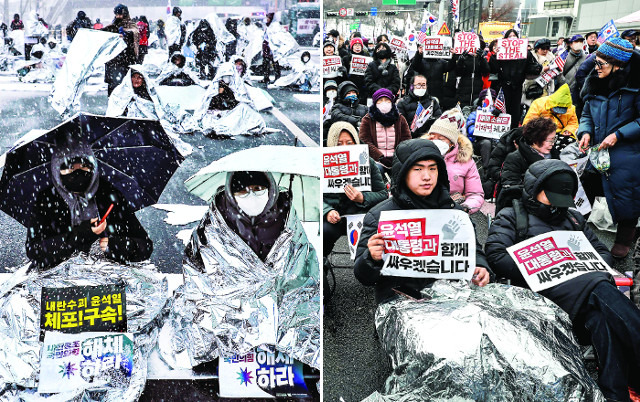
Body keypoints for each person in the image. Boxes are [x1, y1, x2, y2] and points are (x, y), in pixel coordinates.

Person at [485, 159, 640, 402]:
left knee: (600, 317)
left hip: (583, 295)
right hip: (541, 296)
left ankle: (615, 394)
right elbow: (496, 254)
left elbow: (602, 252)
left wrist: (575, 262)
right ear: (535, 189)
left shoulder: (575, 219)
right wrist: (545, 262)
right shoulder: (512, 215)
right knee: (599, 287)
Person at [354, 138, 491, 304]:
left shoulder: (454, 213)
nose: (427, 176)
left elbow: (472, 249)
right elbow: (363, 277)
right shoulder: (379, 216)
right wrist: (371, 257)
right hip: (398, 304)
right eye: (418, 169)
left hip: (448, 301)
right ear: (403, 173)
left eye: (432, 169)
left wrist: (482, 266)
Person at [26, 140, 153, 269]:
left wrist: (116, 245)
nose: (77, 172)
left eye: (84, 165)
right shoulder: (47, 200)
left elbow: (145, 246)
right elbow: (35, 252)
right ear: (56, 169)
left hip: (107, 278)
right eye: (69, 167)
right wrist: (80, 235)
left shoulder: (109, 195)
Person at [577, 37, 640, 258]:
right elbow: (586, 113)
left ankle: (624, 240)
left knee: (627, 195)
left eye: (601, 64)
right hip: (597, 150)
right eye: (596, 62)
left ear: (618, 65)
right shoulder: (594, 81)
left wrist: (618, 135)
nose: (596, 68)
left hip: (627, 152)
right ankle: (575, 233)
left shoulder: (635, 86)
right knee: (584, 193)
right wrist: (585, 131)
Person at [323, 122, 388, 295]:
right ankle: (321, 265)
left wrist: (363, 198)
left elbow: (383, 194)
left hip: (364, 217)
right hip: (336, 218)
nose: (344, 147)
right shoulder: (321, 164)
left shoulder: (369, 163)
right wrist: (327, 210)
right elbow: (313, 194)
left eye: (349, 142)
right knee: (324, 232)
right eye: (339, 143)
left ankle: (375, 270)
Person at [497, 117, 559, 212]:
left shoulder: (555, 156)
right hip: (519, 207)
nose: (552, 144)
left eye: (554, 139)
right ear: (535, 140)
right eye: (549, 140)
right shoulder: (515, 158)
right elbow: (510, 188)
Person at [423, 116, 484, 214]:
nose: (435, 141)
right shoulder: (418, 155)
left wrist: (464, 208)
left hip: (452, 213)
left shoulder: (465, 161)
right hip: (422, 210)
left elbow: (475, 194)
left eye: (441, 139)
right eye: (432, 137)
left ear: (452, 143)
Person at [489, 29, 542, 128]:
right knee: (503, 111)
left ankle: (513, 133)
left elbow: (532, 68)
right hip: (503, 87)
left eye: (514, 36)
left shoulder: (525, 53)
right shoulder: (501, 52)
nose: (512, 38)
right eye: (510, 36)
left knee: (515, 112)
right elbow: (493, 69)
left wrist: (537, 67)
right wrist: (495, 56)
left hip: (517, 87)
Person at [359, 88, 411, 175]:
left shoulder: (400, 118)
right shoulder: (368, 119)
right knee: (377, 170)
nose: (384, 103)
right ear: (375, 103)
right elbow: (364, 140)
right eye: (380, 100)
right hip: (376, 160)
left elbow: (406, 139)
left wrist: (397, 156)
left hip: (397, 159)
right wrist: (380, 157)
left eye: (387, 100)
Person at [523, 83, 578, 151]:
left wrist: (568, 130)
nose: (558, 113)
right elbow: (529, 122)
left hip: (560, 134)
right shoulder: (538, 104)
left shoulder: (571, 109)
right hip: (541, 133)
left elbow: (573, 123)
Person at [102, 4, 139, 96]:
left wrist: (126, 34)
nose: (118, 17)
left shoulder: (131, 24)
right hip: (113, 59)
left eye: (120, 14)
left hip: (126, 58)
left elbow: (134, 33)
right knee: (112, 84)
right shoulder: (113, 25)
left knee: (124, 82)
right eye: (117, 14)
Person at [445, 41, 490, 108]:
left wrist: (482, 59)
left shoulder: (480, 58)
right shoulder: (464, 57)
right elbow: (458, 73)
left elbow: (486, 72)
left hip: (477, 88)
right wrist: (460, 61)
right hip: (464, 88)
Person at [396, 73, 442, 138]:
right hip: (409, 138)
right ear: (412, 86)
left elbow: (439, 119)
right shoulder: (403, 103)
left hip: (428, 137)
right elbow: (400, 124)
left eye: (423, 85)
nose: (421, 87)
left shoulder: (433, 101)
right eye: (418, 85)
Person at [465, 88, 499, 175]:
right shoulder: (474, 114)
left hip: (495, 143)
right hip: (477, 143)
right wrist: (480, 132)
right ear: (481, 101)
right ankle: (486, 171)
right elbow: (470, 129)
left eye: (492, 100)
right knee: (486, 143)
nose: (488, 102)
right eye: (485, 99)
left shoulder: (499, 114)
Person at [522, 38, 561, 111]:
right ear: (537, 48)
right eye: (543, 48)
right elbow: (529, 70)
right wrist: (544, 68)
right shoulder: (531, 57)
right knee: (532, 112)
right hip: (532, 87)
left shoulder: (552, 57)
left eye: (547, 48)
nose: (545, 51)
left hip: (547, 88)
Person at [341, 37, 369, 105]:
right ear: (352, 47)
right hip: (351, 84)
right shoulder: (346, 58)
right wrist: (344, 71)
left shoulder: (367, 58)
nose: (357, 47)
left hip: (363, 86)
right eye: (355, 45)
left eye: (359, 45)